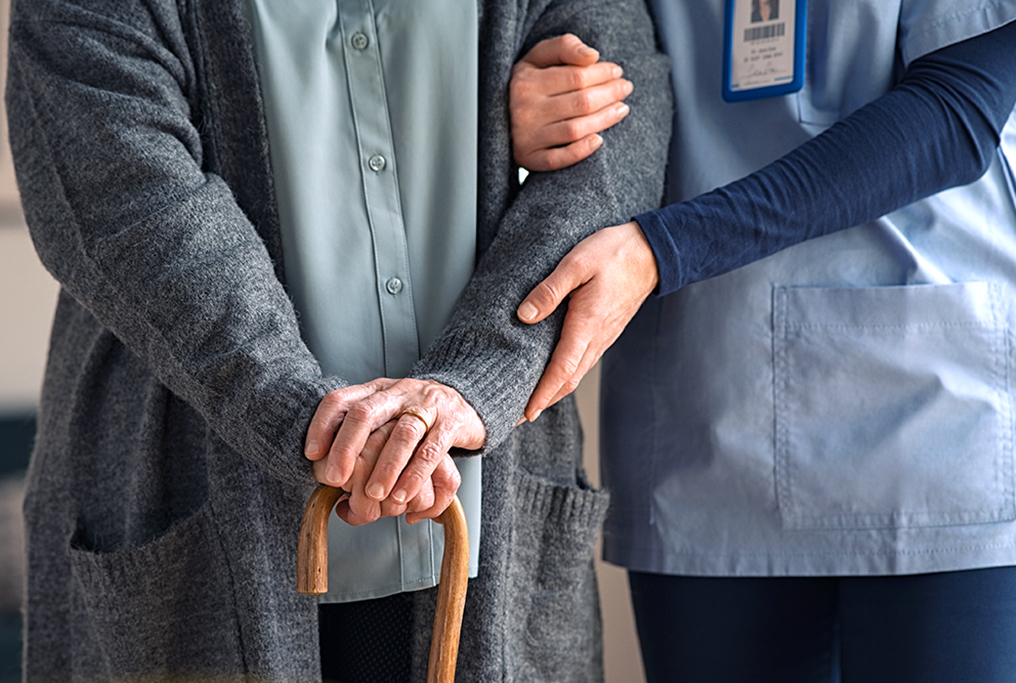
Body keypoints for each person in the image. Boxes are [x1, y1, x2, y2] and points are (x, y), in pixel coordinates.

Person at [5, 0, 671, 681]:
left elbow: (618, 134)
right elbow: (129, 199)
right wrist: (321, 424)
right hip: (201, 503)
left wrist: (474, 383)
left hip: (484, 506)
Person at [509, 3, 1016, 682]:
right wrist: (520, 108)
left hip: (932, 422)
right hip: (706, 414)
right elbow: (573, 35)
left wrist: (665, 249)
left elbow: (958, 112)